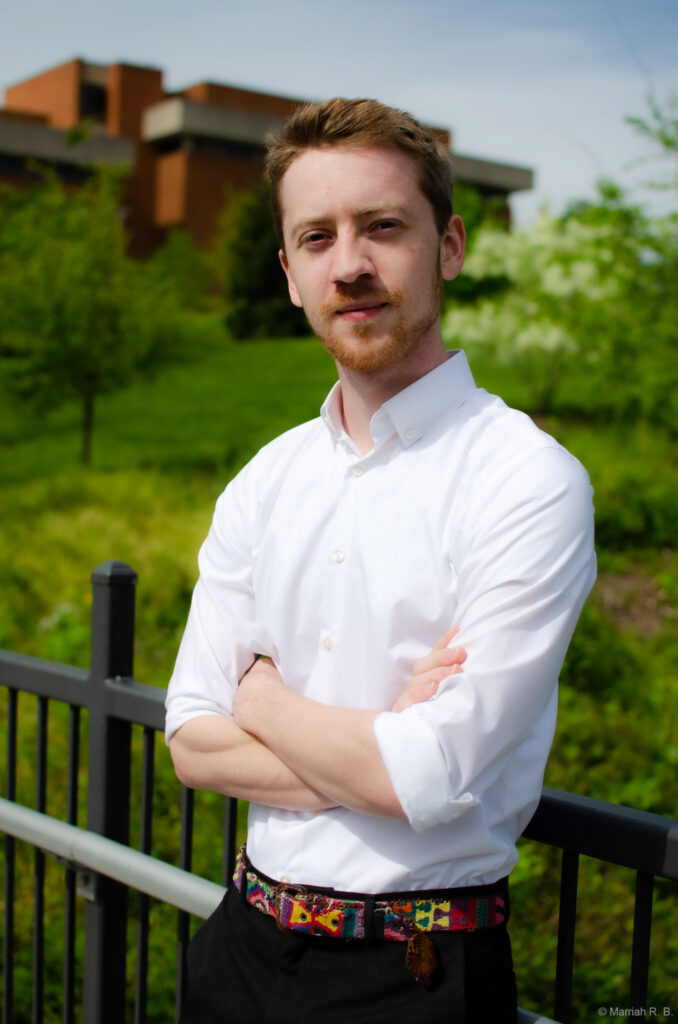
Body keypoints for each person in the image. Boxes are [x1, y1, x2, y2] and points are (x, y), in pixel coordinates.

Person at [165, 97, 596, 1024]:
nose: (350, 263)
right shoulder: (263, 480)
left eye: (383, 227)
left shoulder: (528, 481)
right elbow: (193, 744)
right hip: (236, 950)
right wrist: (374, 746)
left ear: (449, 246)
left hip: (416, 979)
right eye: (316, 237)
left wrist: (264, 701)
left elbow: (426, 775)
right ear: (289, 273)